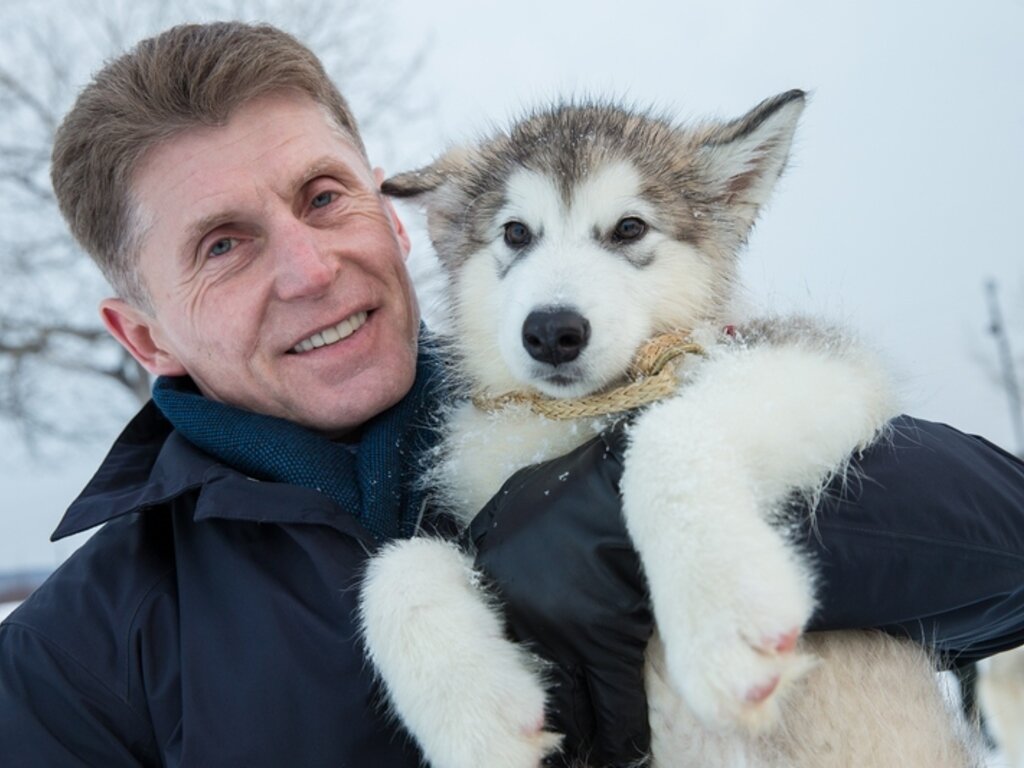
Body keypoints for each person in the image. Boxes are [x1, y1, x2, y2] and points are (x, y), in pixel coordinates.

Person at [1, 20, 1022, 768]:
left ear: (400, 220)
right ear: (144, 335)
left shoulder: (652, 377)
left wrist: (634, 510)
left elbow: (1000, 551)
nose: (310, 271)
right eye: (223, 245)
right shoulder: (74, 657)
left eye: (323, 197)